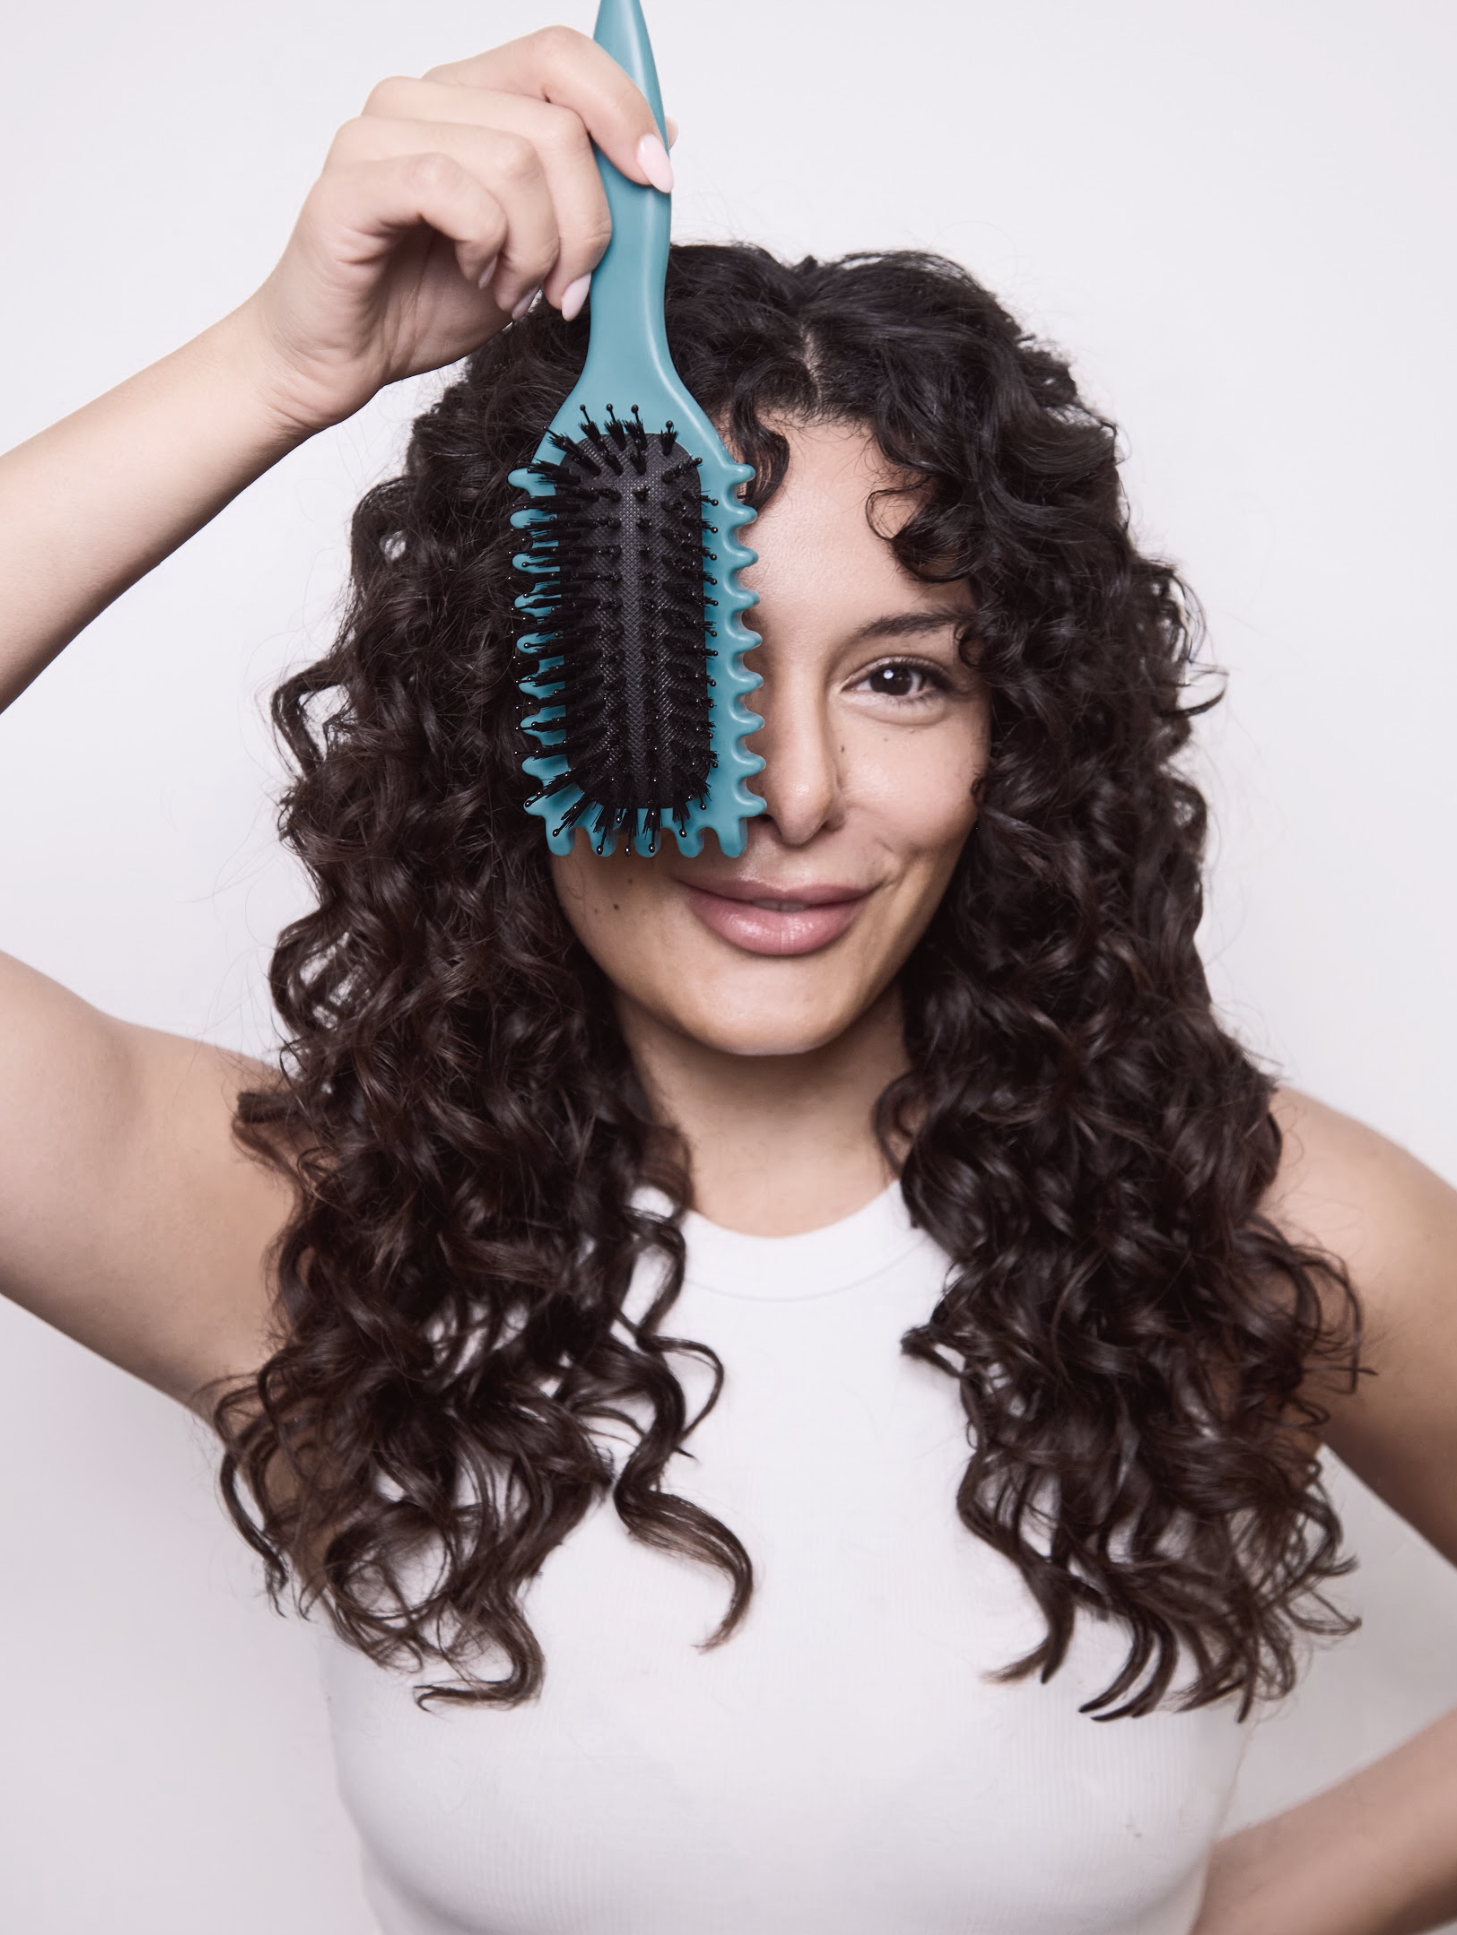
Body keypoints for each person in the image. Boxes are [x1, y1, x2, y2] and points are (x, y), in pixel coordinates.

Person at [2, 22, 1455, 1935]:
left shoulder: (1243, 1220)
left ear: (1022, 739)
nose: (788, 792)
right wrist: (284, 365)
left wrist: (1225, 1916)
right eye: (687, 659)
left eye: (903, 673)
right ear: (507, 709)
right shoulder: (301, 1229)